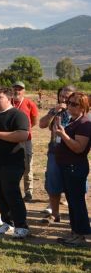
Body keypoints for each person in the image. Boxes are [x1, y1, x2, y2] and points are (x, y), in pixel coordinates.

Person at [0, 86, 30, 239]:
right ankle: (7, 222)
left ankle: (22, 226)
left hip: (11, 161)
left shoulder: (17, 115)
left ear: (9, 99)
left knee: (11, 192)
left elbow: (23, 135)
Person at [53, 92, 91, 246]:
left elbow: (79, 148)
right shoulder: (71, 120)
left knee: (77, 202)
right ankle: (74, 232)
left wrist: (63, 135)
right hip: (66, 166)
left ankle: (80, 235)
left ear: (83, 107)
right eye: (69, 102)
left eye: (74, 104)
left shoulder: (84, 124)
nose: (69, 106)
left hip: (75, 167)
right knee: (72, 200)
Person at [38, 85, 75, 224]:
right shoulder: (56, 111)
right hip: (54, 150)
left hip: (72, 153)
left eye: (68, 97)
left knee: (73, 185)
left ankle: (75, 214)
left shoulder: (79, 112)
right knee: (53, 183)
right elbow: (42, 124)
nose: (64, 99)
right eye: (62, 96)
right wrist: (53, 111)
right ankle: (55, 214)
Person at [11, 81, 39, 202]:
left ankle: (28, 191)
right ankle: (12, 189)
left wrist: (23, 131)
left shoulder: (29, 103)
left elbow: (34, 121)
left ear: (24, 91)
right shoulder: (8, 103)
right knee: (11, 166)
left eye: (20, 89)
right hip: (10, 139)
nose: (17, 91)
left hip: (26, 139)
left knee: (27, 165)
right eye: (15, 88)